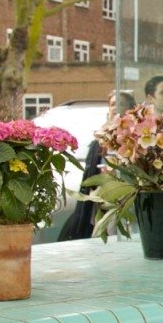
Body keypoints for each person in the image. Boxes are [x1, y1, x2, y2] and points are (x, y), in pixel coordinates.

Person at [58, 90, 137, 241]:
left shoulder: (134, 136)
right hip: (104, 200)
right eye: (112, 104)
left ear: (130, 108)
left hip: (127, 198)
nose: (115, 107)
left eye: (120, 103)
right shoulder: (101, 138)